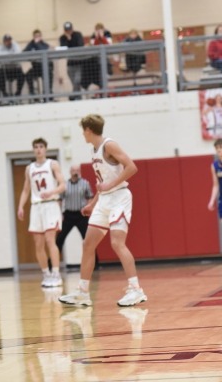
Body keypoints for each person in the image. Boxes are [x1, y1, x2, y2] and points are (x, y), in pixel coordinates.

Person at [59, 114, 147, 307]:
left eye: (83, 130)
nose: (83, 134)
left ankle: (136, 290)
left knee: (117, 243)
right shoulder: (94, 150)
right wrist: (92, 204)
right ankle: (83, 293)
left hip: (119, 198)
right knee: (88, 244)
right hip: (104, 200)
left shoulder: (109, 145)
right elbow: (102, 183)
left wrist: (110, 185)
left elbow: (132, 167)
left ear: (89, 130)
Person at [17, 138, 66, 288]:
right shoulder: (29, 168)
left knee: (50, 240)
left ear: (45, 149)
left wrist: (51, 192)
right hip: (36, 207)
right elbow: (26, 190)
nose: (38, 149)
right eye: (36, 147)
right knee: (38, 244)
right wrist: (20, 206)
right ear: (33, 150)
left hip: (50, 205)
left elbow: (63, 185)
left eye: (41, 146)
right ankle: (46, 274)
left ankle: (56, 274)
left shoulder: (52, 164)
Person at [56, 165, 95, 264]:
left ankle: (94, 263)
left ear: (80, 171)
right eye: (73, 170)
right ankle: (53, 264)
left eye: (77, 170)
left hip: (81, 215)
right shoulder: (64, 185)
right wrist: (59, 213)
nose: (75, 172)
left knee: (88, 239)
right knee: (59, 239)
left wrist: (89, 209)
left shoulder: (85, 183)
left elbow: (90, 197)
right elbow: (60, 199)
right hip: (68, 215)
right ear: (70, 171)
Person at [23, 29, 53, 100]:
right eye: (36, 36)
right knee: (28, 74)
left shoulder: (43, 44)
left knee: (49, 73)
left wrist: (37, 44)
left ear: (41, 36)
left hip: (44, 68)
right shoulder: (31, 44)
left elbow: (45, 49)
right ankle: (33, 94)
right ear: (33, 37)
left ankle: (47, 93)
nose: (37, 37)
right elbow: (24, 52)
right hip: (35, 67)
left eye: (39, 36)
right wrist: (33, 44)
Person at [0, 34, 24, 101]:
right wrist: (10, 56)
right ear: (3, 41)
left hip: (15, 69)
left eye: (9, 40)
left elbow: (18, 52)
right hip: (5, 71)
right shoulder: (0, 47)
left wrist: (4, 57)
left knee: (22, 74)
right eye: (6, 40)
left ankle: (18, 93)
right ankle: (4, 93)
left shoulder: (15, 45)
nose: (8, 42)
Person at [59, 21, 84, 100]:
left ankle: (73, 95)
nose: (68, 32)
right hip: (70, 64)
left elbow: (80, 45)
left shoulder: (78, 35)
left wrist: (71, 39)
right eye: (67, 30)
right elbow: (63, 48)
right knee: (74, 82)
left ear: (72, 28)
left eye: (69, 29)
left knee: (77, 80)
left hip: (79, 63)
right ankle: (78, 97)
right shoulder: (62, 38)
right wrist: (68, 39)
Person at [207, 138, 222, 250]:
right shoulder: (214, 166)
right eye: (217, 149)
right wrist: (212, 201)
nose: (219, 150)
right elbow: (215, 185)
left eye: (221, 148)